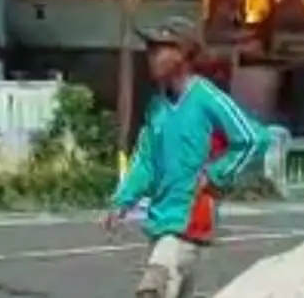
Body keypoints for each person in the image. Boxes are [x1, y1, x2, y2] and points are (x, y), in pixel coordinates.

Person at [104, 18, 270, 298]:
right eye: (150, 49)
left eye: (159, 49)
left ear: (182, 53)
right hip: (161, 219)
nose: (151, 56)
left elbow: (254, 139)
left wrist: (217, 174)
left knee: (153, 285)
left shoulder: (205, 97)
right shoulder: (157, 106)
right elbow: (145, 160)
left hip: (190, 217)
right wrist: (123, 200)